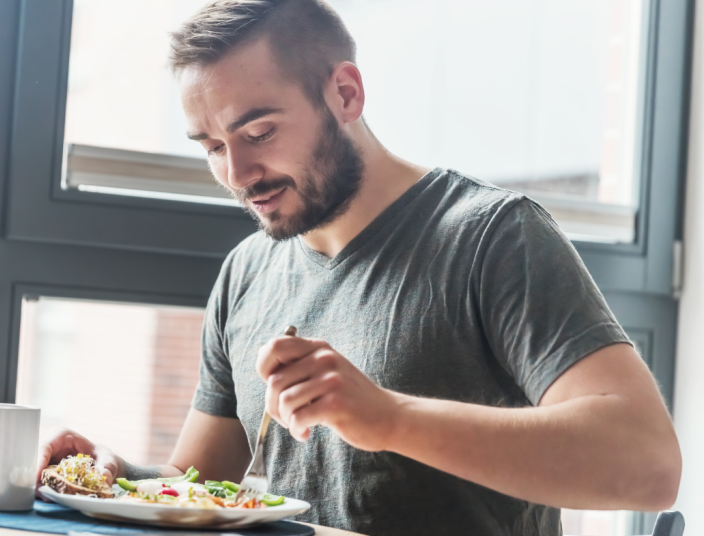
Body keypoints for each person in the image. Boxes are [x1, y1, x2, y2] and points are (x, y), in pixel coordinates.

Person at [37, 1, 681, 534]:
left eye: (258, 133)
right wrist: (115, 476)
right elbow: (202, 483)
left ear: (344, 94)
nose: (237, 175)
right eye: (212, 147)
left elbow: (647, 465)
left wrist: (389, 418)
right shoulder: (246, 272)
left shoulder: (494, 236)